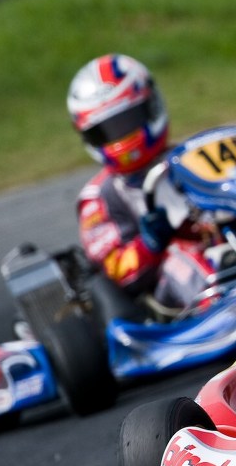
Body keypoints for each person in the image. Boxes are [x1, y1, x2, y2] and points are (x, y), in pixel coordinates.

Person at [69, 53, 223, 311]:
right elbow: (114, 271)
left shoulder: (192, 157)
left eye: (128, 121)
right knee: (180, 253)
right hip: (165, 295)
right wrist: (149, 243)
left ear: (151, 107)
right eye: (109, 130)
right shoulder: (99, 198)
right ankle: (223, 307)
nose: (122, 135)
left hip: (222, 248)